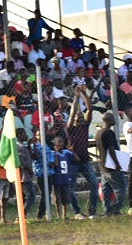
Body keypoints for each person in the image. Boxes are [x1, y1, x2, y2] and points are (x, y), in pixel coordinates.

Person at [66, 88, 99, 219]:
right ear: (73, 120)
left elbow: (89, 109)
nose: (79, 118)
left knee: (95, 184)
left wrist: (85, 94)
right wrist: (76, 97)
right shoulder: (70, 129)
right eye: (77, 117)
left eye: (81, 117)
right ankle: (77, 212)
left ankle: (92, 210)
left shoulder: (85, 126)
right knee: (71, 188)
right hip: (73, 162)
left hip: (85, 161)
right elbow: (72, 112)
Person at [95, 112, 125, 215]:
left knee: (106, 189)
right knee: (120, 187)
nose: (115, 120)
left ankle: (107, 210)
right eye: (113, 118)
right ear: (108, 120)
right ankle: (115, 210)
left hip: (103, 164)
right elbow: (111, 150)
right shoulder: (109, 133)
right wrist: (117, 164)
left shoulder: (99, 133)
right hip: (111, 165)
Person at [30, 129, 55, 221]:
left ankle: (45, 213)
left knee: (48, 193)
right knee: (44, 194)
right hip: (40, 173)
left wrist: (52, 163)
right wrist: (35, 146)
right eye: (38, 135)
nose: (40, 136)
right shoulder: (33, 146)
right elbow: (35, 157)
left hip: (49, 172)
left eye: (42, 134)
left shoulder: (47, 146)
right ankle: (39, 215)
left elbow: (51, 157)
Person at [52, 136, 78, 219]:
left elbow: (77, 160)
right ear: (54, 143)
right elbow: (55, 164)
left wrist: (72, 151)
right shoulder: (53, 153)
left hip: (66, 178)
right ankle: (58, 215)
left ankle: (64, 215)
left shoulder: (67, 152)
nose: (60, 144)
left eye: (62, 142)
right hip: (57, 179)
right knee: (57, 198)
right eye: (58, 142)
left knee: (65, 198)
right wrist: (56, 153)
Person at [16, 128, 35, 219]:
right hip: (24, 176)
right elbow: (21, 162)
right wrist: (30, 170)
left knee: (24, 197)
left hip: (26, 175)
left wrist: (30, 145)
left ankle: (22, 216)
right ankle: (22, 215)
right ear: (19, 136)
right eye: (24, 134)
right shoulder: (19, 147)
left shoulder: (24, 147)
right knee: (31, 196)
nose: (27, 135)